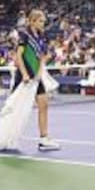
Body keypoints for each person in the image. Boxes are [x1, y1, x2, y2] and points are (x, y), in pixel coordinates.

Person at [15, 9, 60, 151]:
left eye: (43, 21)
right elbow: (18, 57)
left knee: (44, 104)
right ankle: (8, 136)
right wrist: (25, 74)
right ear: (32, 21)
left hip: (36, 75)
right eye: (40, 21)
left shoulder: (42, 36)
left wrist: (40, 72)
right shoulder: (24, 35)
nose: (43, 24)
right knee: (14, 108)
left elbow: (42, 57)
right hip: (24, 75)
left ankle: (43, 139)